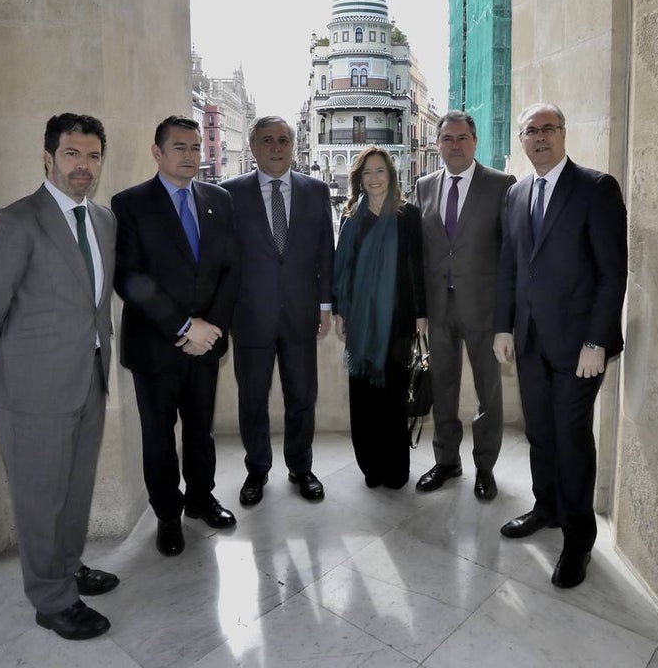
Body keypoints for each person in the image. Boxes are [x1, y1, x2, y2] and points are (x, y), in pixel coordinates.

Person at [0, 113, 119, 641]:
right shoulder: (16, 222)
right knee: (39, 499)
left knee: (74, 492)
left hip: (89, 380)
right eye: (72, 154)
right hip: (31, 391)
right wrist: (8, 368)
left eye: (93, 155)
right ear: (48, 157)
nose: (84, 166)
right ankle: (51, 600)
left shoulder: (102, 220)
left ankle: (67, 569)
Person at [493, 102, 627, 589]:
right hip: (529, 341)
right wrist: (503, 327)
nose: (540, 137)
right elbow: (511, 266)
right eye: (530, 131)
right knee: (541, 434)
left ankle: (578, 541)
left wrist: (597, 341)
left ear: (564, 134)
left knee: (571, 441)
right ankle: (545, 508)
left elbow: (613, 275)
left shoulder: (595, 188)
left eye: (548, 129)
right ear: (522, 140)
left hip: (579, 349)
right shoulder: (517, 193)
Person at [112, 116, 239, 557]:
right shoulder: (130, 204)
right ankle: (168, 513)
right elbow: (129, 278)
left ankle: (201, 500)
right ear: (158, 152)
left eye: (195, 147)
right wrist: (185, 328)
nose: (190, 155)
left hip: (206, 345)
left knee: (201, 431)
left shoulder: (219, 200)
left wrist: (211, 329)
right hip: (155, 347)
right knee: (159, 436)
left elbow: (230, 270)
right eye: (179, 148)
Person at [220, 116, 334, 505]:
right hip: (250, 317)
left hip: (301, 314)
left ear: (292, 144)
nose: (276, 147)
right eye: (267, 140)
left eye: (283, 139)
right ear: (253, 147)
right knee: (252, 398)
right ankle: (257, 470)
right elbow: (223, 261)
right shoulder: (228, 194)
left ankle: (301, 467)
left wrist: (324, 303)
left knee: (302, 395)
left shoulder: (316, 191)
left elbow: (325, 253)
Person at [414, 110, 515, 501]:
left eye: (461, 138)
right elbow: (421, 254)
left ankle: (485, 467)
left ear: (474, 142)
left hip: (484, 309)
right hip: (439, 308)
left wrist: (507, 315)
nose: (454, 146)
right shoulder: (423, 186)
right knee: (443, 387)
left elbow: (510, 253)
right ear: (437, 144)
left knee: (489, 392)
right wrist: (420, 309)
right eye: (446, 139)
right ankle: (446, 461)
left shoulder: (501, 185)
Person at [333, 148, 427, 488]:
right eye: (367, 173)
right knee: (364, 397)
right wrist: (342, 311)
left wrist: (421, 314)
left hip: (399, 321)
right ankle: (371, 466)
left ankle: (395, 467)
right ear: (359, 178)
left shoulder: (408, 216)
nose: (373, 179)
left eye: (380, 171)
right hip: (361, 320)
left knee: (393, 396)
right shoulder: (351, 218)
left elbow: (417, 267)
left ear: (391, 175)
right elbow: (342, 269)